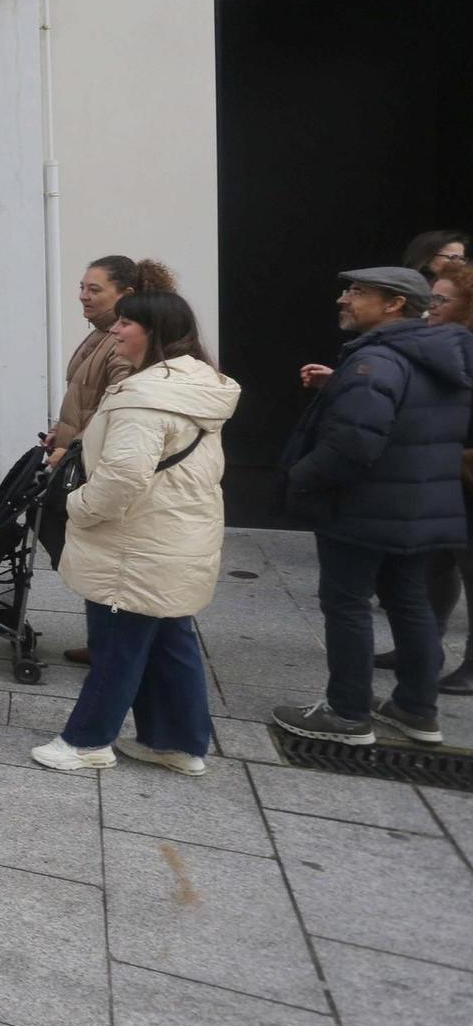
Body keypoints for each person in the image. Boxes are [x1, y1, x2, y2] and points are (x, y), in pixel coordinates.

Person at [30, 292, 240, 773]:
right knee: (171, 639)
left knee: (117, 644)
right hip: (177, 534)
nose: (116, 331)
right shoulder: (195, 384)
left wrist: (77, 505)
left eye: (127, 324)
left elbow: (122, 477)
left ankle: (86, 742)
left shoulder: (145, 398)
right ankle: (177, 744)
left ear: (156, 332)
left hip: (135, 541)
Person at [274, 266, 473, 747]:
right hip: (420, 505)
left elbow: (353, 444)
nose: (344, 299)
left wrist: (300, 479)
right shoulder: (436, 355)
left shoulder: (378, 361)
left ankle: (347, 714)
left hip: (364, 507)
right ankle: (416, 710)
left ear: (395, 305)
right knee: (411, 603)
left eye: (359, 292)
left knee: (346, 604)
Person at [48, 257, 174, 665]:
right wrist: (60, 431)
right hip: (80, 457)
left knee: (98, 556)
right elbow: (85, 397)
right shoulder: (101, 335)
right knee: (86, 554)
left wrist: (74, 446)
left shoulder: (122, 344)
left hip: (96, 465)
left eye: (94, 289)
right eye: (82, 287)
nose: (83, 296)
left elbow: (117, 408)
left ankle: (118, 641)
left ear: (127, 295)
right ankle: (107, 637)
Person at [421, 264, 473, 694]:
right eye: (431, 297)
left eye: (441, 299)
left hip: (466, 472)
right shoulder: (443, 343)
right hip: (444, 471)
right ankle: (423, 647)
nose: (431, 306)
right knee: (436, 560)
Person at [401, 229, 468, 280]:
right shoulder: (405, 286)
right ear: (427, 258)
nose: (461, 263)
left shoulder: (463, 289)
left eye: (462, 258)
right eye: (453, 257)